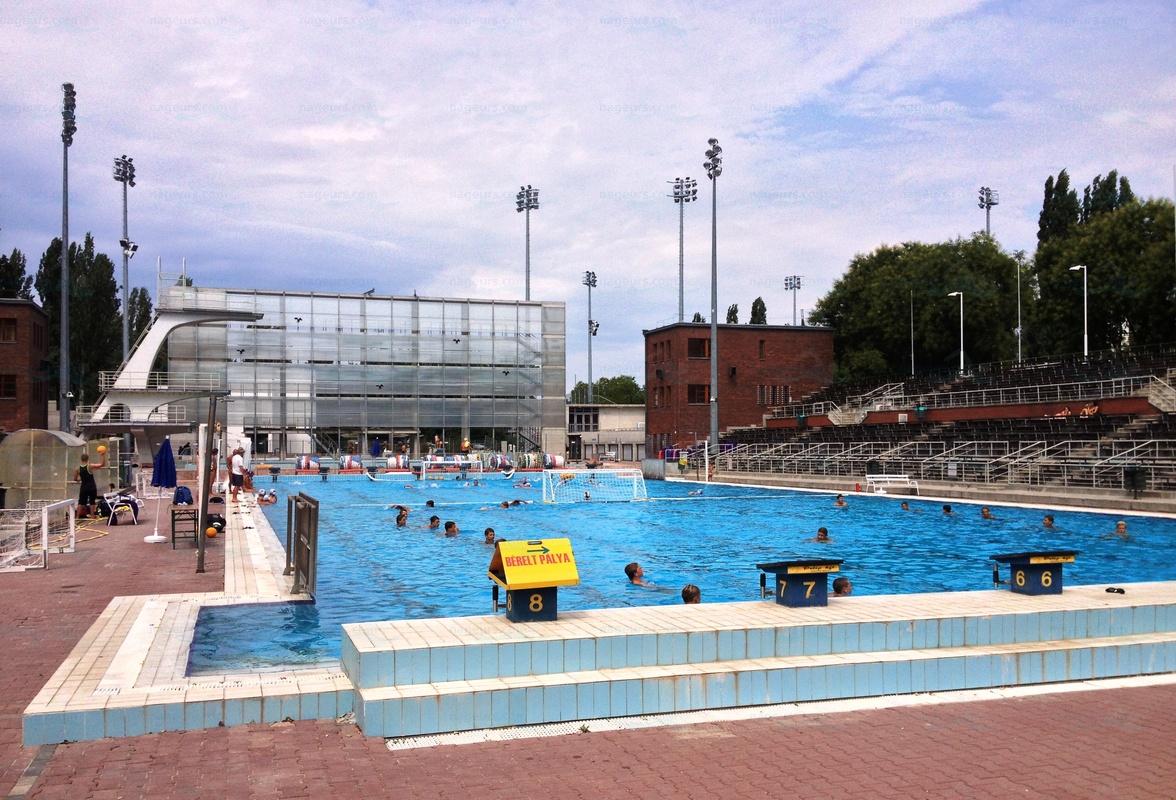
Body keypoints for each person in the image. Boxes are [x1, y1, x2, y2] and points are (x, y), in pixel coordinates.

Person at [75, 451, 106, 518]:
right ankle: (92, 515)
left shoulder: (78, 468)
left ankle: (77, 517)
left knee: (81, 502)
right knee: (92, 501)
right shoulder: (90, 466)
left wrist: (80, 479)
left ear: (81, 459)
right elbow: (102, 464)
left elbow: (75, 479)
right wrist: (103, 455)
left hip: (83, 487)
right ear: (87, 459)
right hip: (91, 487)